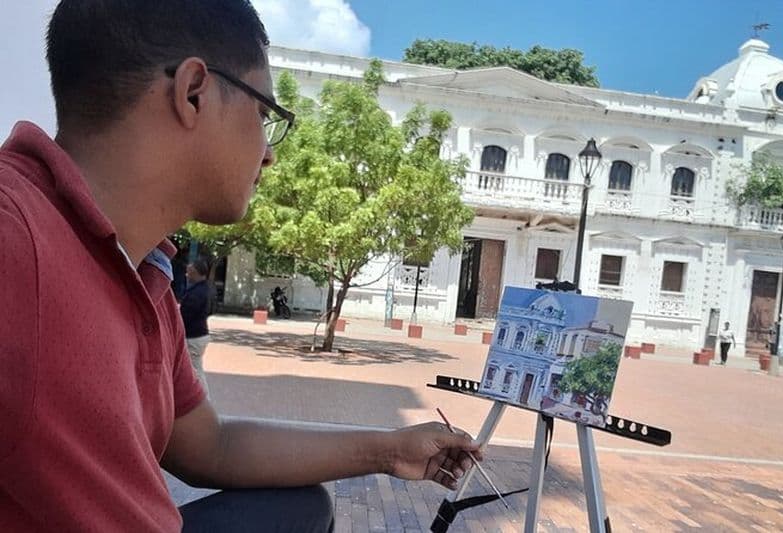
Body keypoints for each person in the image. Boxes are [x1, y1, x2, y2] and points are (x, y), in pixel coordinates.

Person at [0, 2, 481, 532]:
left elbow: (210, 444)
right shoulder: (16, 239)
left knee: (301, 508)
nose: (269, 154)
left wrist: (389, 450)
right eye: (264, 114)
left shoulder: (146, 275)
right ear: (193, 93)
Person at [181, 259, 212, 395]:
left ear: (196, 273)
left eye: (190, 272)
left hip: (194, 337)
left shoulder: (197, 292)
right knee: (195, 369)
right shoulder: (204, 289)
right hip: (198, 334)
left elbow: (186, 315)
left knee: (195, 370)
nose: (187, 275)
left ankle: (203, 399)